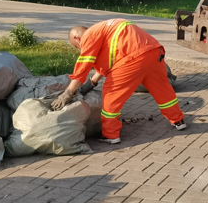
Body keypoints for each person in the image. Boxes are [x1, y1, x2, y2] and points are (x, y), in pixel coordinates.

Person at [52, 19, 187, 144]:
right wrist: (92, 82)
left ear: (77, 38)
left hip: (132, 59)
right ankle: (178, 120)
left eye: (77, 46)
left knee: (111, 95)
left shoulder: (88, 35)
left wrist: (68, 92)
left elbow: (83, 66)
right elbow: (110, 61)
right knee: (162, 90)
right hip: (154, 52)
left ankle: (111, 135)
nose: (80, 48)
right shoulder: (106, 29)